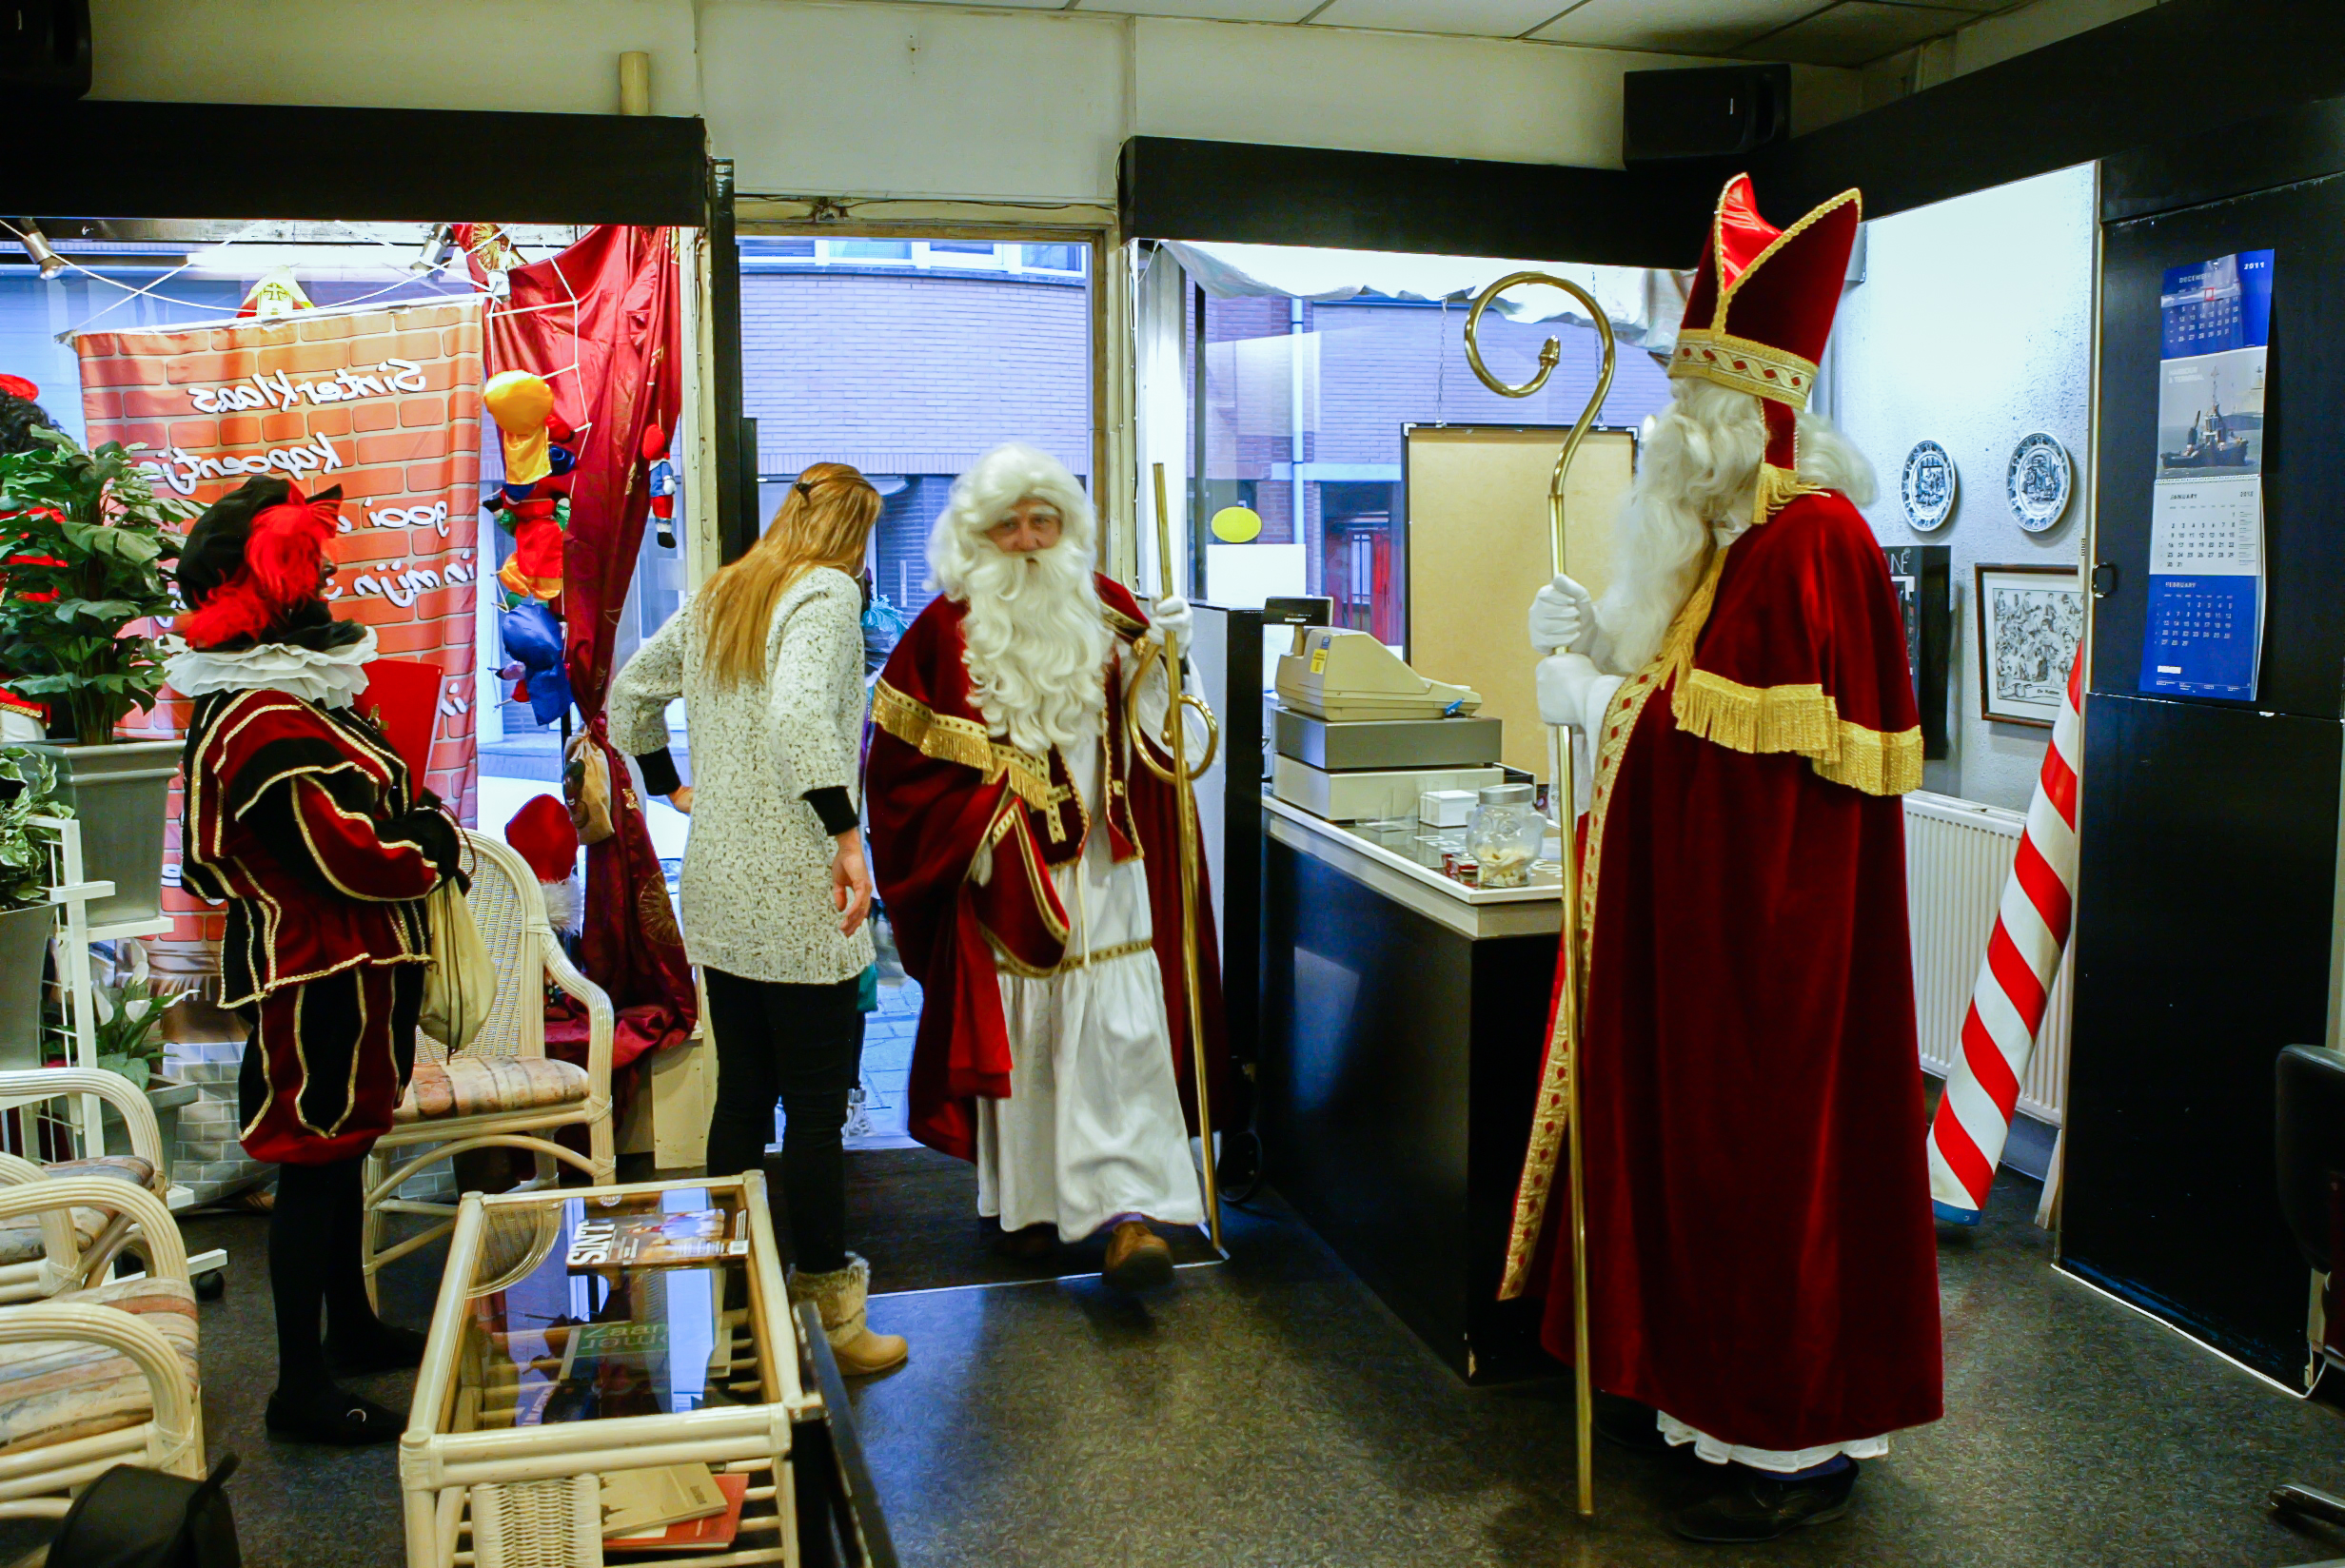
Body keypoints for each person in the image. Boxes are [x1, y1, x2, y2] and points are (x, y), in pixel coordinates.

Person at [1505, 174, 1942, 1542]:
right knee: (1709, 1172)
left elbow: (1738, 784)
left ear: (1731, 425)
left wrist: (1591, 697)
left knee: (1766, 1177)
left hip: (1777, 964)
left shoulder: (1812, 547)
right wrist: (1598, 638)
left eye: (1679, 412)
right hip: (1712, 946)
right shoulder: (1731, 545)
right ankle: (1712, 1413)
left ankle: (1789, 1446)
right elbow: (1685, 702)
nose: (1660, 439)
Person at [864, 442, 1225, 1292]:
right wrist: (973, 833)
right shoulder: (941, 632)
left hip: (1111, 863)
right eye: (1009, 525)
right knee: (1030, 1040)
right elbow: (896, 772)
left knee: (1121, 1031)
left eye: (1043, 522)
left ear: (1069, 527)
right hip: (1007, 874)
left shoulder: (1112, 611)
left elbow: (1170, 738)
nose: (1028, 540)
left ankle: (1131, 1213)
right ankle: (1029, 1206)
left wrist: (1171, 658)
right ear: (978, 535)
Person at [169, 476, 463, 1443]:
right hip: (314, 966)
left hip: (352, 962)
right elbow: (343, 851)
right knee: (312, 1162)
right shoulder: (260, 711)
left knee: (342, 1153)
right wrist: (430, 844)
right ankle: (299, 1386)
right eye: (310, 567)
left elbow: (373, 808)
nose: (328, 579)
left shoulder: (288, 696)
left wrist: (413, 824)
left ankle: (352, 1329)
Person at [609, 462, 906, 1376]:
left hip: (720, 882)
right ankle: (832, 1318)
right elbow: (801, 720)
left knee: (740, 1096)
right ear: (854, 533)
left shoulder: (725, 592)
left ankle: (730, 1305)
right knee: (815, 1110)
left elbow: (631, 694)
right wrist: (847, 836)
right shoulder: (825, 594)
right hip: (798, 887)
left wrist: (669, 784)